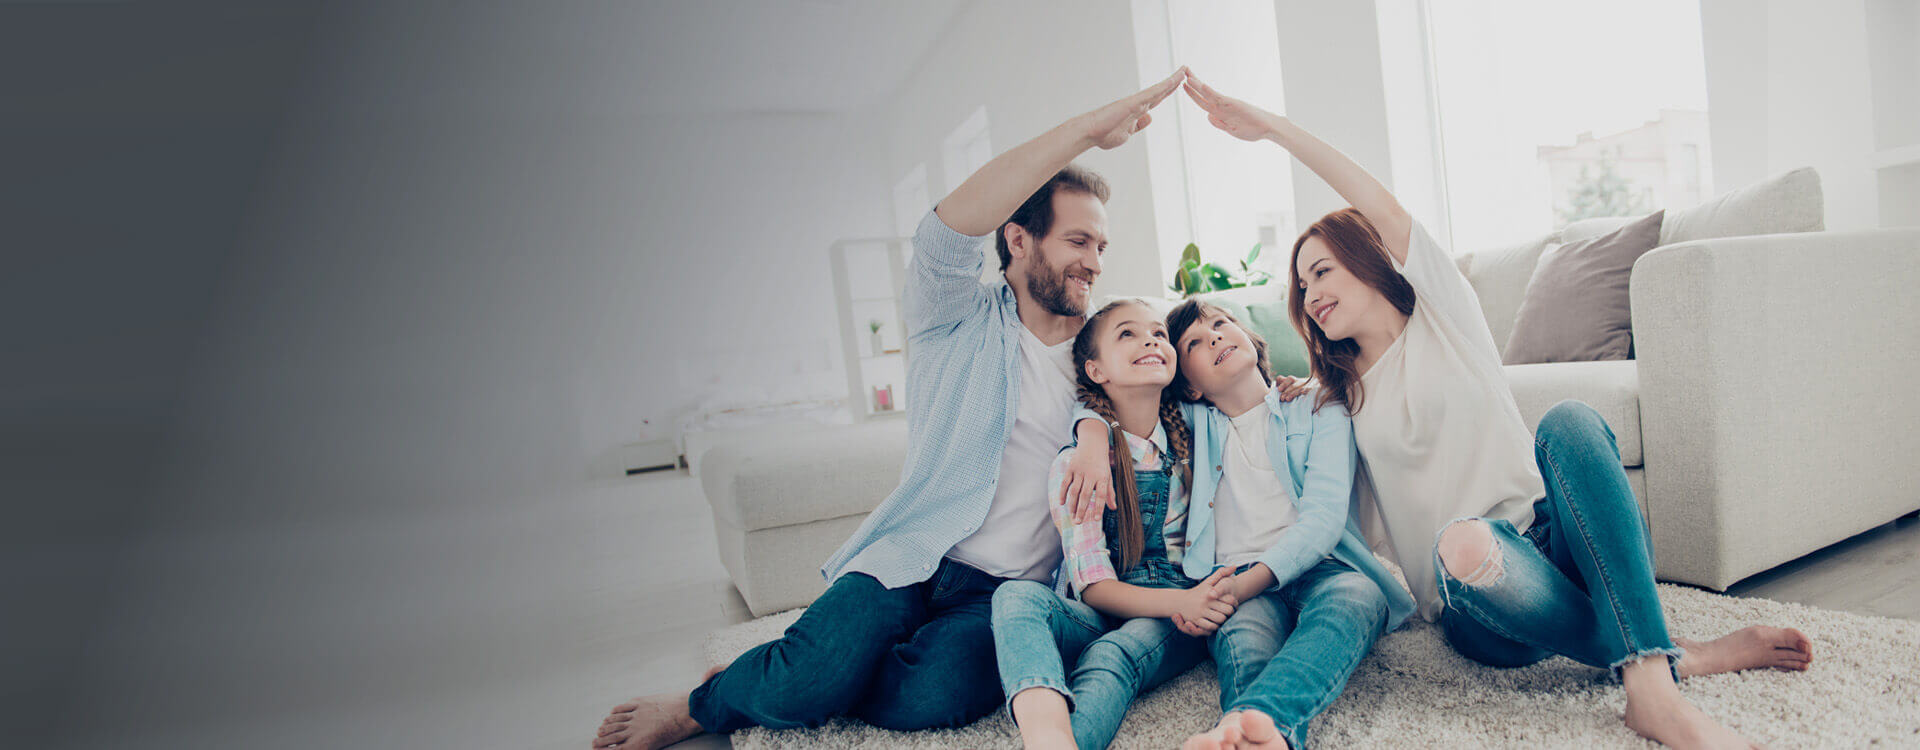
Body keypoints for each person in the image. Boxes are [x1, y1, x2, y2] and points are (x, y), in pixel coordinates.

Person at [1180, 71, 1812, 749]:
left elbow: (1376, 199)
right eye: (1301, 286)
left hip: (1559, 547)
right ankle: (1675, 652)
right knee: (1465, 541)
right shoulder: (1334, 400)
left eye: (1323, 270)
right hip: (1476, 601)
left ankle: (1651, 689)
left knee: (1570, 421)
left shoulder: (1444, 316)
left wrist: (1272, 128)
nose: (1309, 294)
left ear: (1369, 259)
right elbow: (1302, 492)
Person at [591, 67, 1190, 750]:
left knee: (933, 697)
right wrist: (1085, 131)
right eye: (1078, 241)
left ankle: (798, 669)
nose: (1095, 262)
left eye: (1102, 246)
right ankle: (707, 702)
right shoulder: (954, 315)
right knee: (815, 671)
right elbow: (941, 236)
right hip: (915, 554)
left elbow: (1194, 370)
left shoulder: (1106, 352)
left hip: (1004, 592)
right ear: (1019, 240)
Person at [990, 298, 1234, 750]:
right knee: (1014, 597)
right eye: (1128, 333)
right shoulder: (1078, 466)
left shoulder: (1200, 432)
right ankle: (1046, 735)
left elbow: (1245, 399)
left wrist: (1289, 386)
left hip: (1176, 609)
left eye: (1159, 333)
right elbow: (1094, 588)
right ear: (1096, 370)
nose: (1150, 339)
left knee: (1112, 655)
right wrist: (1092, 432)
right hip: (1102, 609)